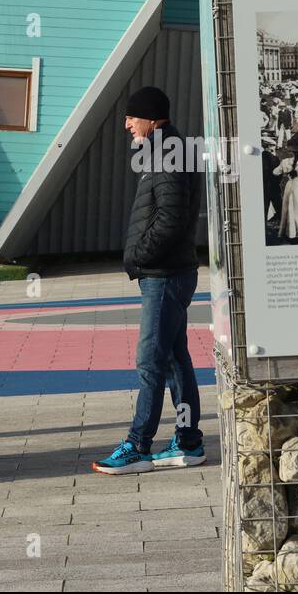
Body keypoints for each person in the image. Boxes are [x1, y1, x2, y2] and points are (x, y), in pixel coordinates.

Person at [93, 86, 204, 476]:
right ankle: (188, 442)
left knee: (150, 362)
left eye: (132, 117)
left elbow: (171, 220)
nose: (126, 124)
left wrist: (138, 256)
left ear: (152, 119)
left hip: (165, 273)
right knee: (174, 359)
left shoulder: (168, 154)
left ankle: (138, 445)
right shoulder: (166, 150)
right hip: (170, 270)